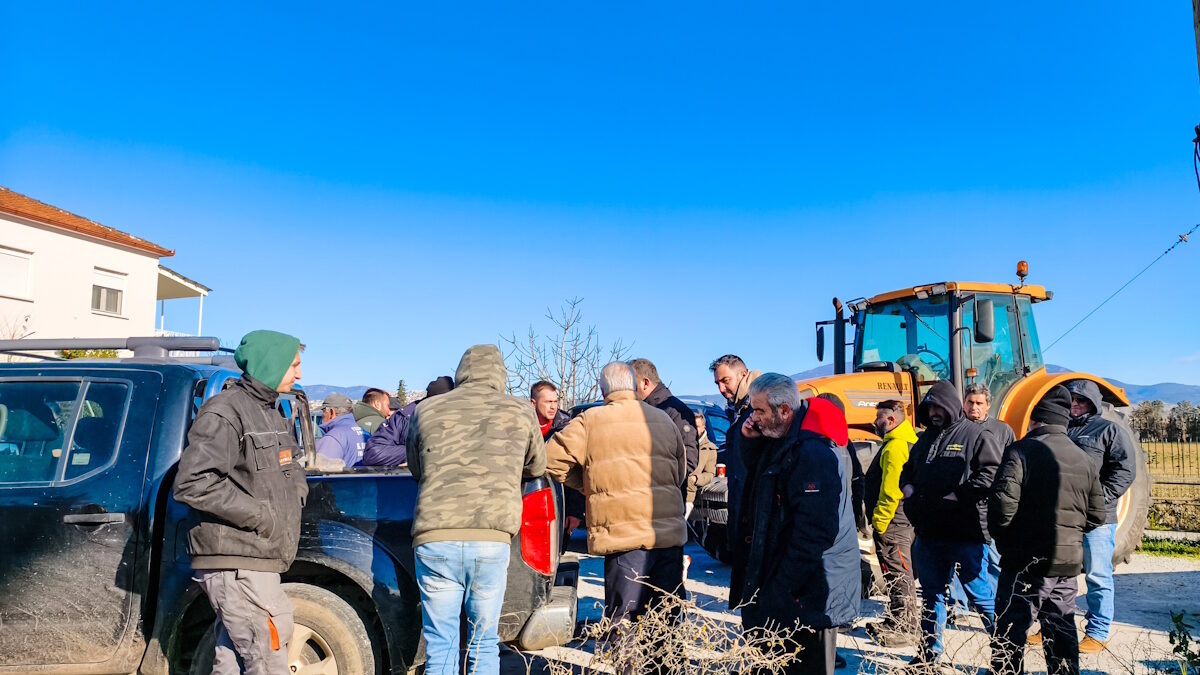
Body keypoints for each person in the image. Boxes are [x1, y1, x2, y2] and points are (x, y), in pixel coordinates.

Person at [173, 330, 309, 675]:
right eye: (293, 365)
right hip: (238, 559)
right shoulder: (224, 412)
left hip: (256, 557)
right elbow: (193, 483)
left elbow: (289, 463)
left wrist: (297, 493)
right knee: (269, 658)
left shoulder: (270, 411)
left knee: (232, 659)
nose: (299, 374)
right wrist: (264, 517)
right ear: (270, 363)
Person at [406, 345, 545, 675]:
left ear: (462, 372)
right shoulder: (519, 411)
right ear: (499, 374)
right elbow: (538, 465)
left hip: (435, 536)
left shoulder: (427, 409)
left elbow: (416, 467)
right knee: (484, 642)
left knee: (442, 643)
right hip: (490, 538)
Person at [543, 361, 687, 671]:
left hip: (625, 543)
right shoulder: (663, 420)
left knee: (626, 627)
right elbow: (678, 472)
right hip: (669, 540)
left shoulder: (591, 421)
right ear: (635, 387)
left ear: (603, 390)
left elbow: (549, 460)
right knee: (667, 626)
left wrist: (587, 484)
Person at [730, 373, 859, 675]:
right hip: (786, 583)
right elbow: (763, 481)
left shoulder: (814, 453)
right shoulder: (783, 439)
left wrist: (780, 588)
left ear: (785, 410)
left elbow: (814, 534)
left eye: (760, 411)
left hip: (807, 590)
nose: (754, 417)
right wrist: (749, 443)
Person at [989, 385, 1106, 675]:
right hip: (1066, 563)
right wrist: (1069, 535)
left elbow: (1002, 508)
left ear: (1036, 420)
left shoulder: (1021, 451)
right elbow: (1097, 515)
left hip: (1025, 562)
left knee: (1011, 627)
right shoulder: (1085, 460)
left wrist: (1008, 543)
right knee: (1061, 626)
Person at [899, 380, 1002, 665]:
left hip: (964, 533)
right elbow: (908, 470)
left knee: (979, 593)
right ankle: (928, 654)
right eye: (929, 407)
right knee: (932, 595)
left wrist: (959, 495)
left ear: (950, 406)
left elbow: (992, 474)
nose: (933, 412)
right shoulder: (925, 439)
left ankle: (1005, 653)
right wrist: (906, 486)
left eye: (938, 407)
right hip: (929, 533)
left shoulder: (975, 435)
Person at [1059, 379, 1137, 653]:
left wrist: (1098, 498)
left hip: (1097, 520)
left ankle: (1097, 632)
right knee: (1059, 576)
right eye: (1072, 400)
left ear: (1092, 402)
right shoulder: (1062, 431)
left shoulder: (1108, 430)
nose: (1075, 404)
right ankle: (1055, 626)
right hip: (1064, 517)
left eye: (1081, 400)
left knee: (1097, 574)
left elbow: (1125, 471)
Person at [864, 399, 919, 646]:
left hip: (893, 522)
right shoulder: (904, 441)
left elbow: (891, 490)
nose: (875, 422)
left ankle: (905, 628)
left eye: (879, 417)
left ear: (892, 420)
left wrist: (880, 522)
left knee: (898, 573)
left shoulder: (895, 447)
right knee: (896, 571)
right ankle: (897, 618)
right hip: (898, 520)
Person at [709, 354, 761, 556]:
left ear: (743, 374)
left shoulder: (759, 410)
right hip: (743, 512)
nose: (721, 389)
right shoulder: (738, 411)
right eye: (717, 383)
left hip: (755, 516)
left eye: (725, 381)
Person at [361, 376, 454, 467]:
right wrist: (416, 453)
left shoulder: (464, 416)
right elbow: (373, 453)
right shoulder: (404, 417)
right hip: (417, 481)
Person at [631, 358, 699, 477]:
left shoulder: (676, 412)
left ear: (645, 383)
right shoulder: (639, 409)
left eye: (632, 384)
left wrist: (651, 477)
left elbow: (688, 461)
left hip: (666, 491)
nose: (629, 389)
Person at [315, 393, 367, 468]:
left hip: (343, 479)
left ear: (331, 412)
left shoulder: (333, 438)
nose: (322, 415)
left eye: (323, 411)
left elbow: (319, 471)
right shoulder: (366, 433)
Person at [686, 411, 719, 519]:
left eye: (698, 426)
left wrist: (695, 479)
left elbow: (710, 474)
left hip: (689, 495)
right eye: (692, 426)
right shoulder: (680, 442)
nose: (695, 429)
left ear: (704, 427)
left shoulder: (710, 448)